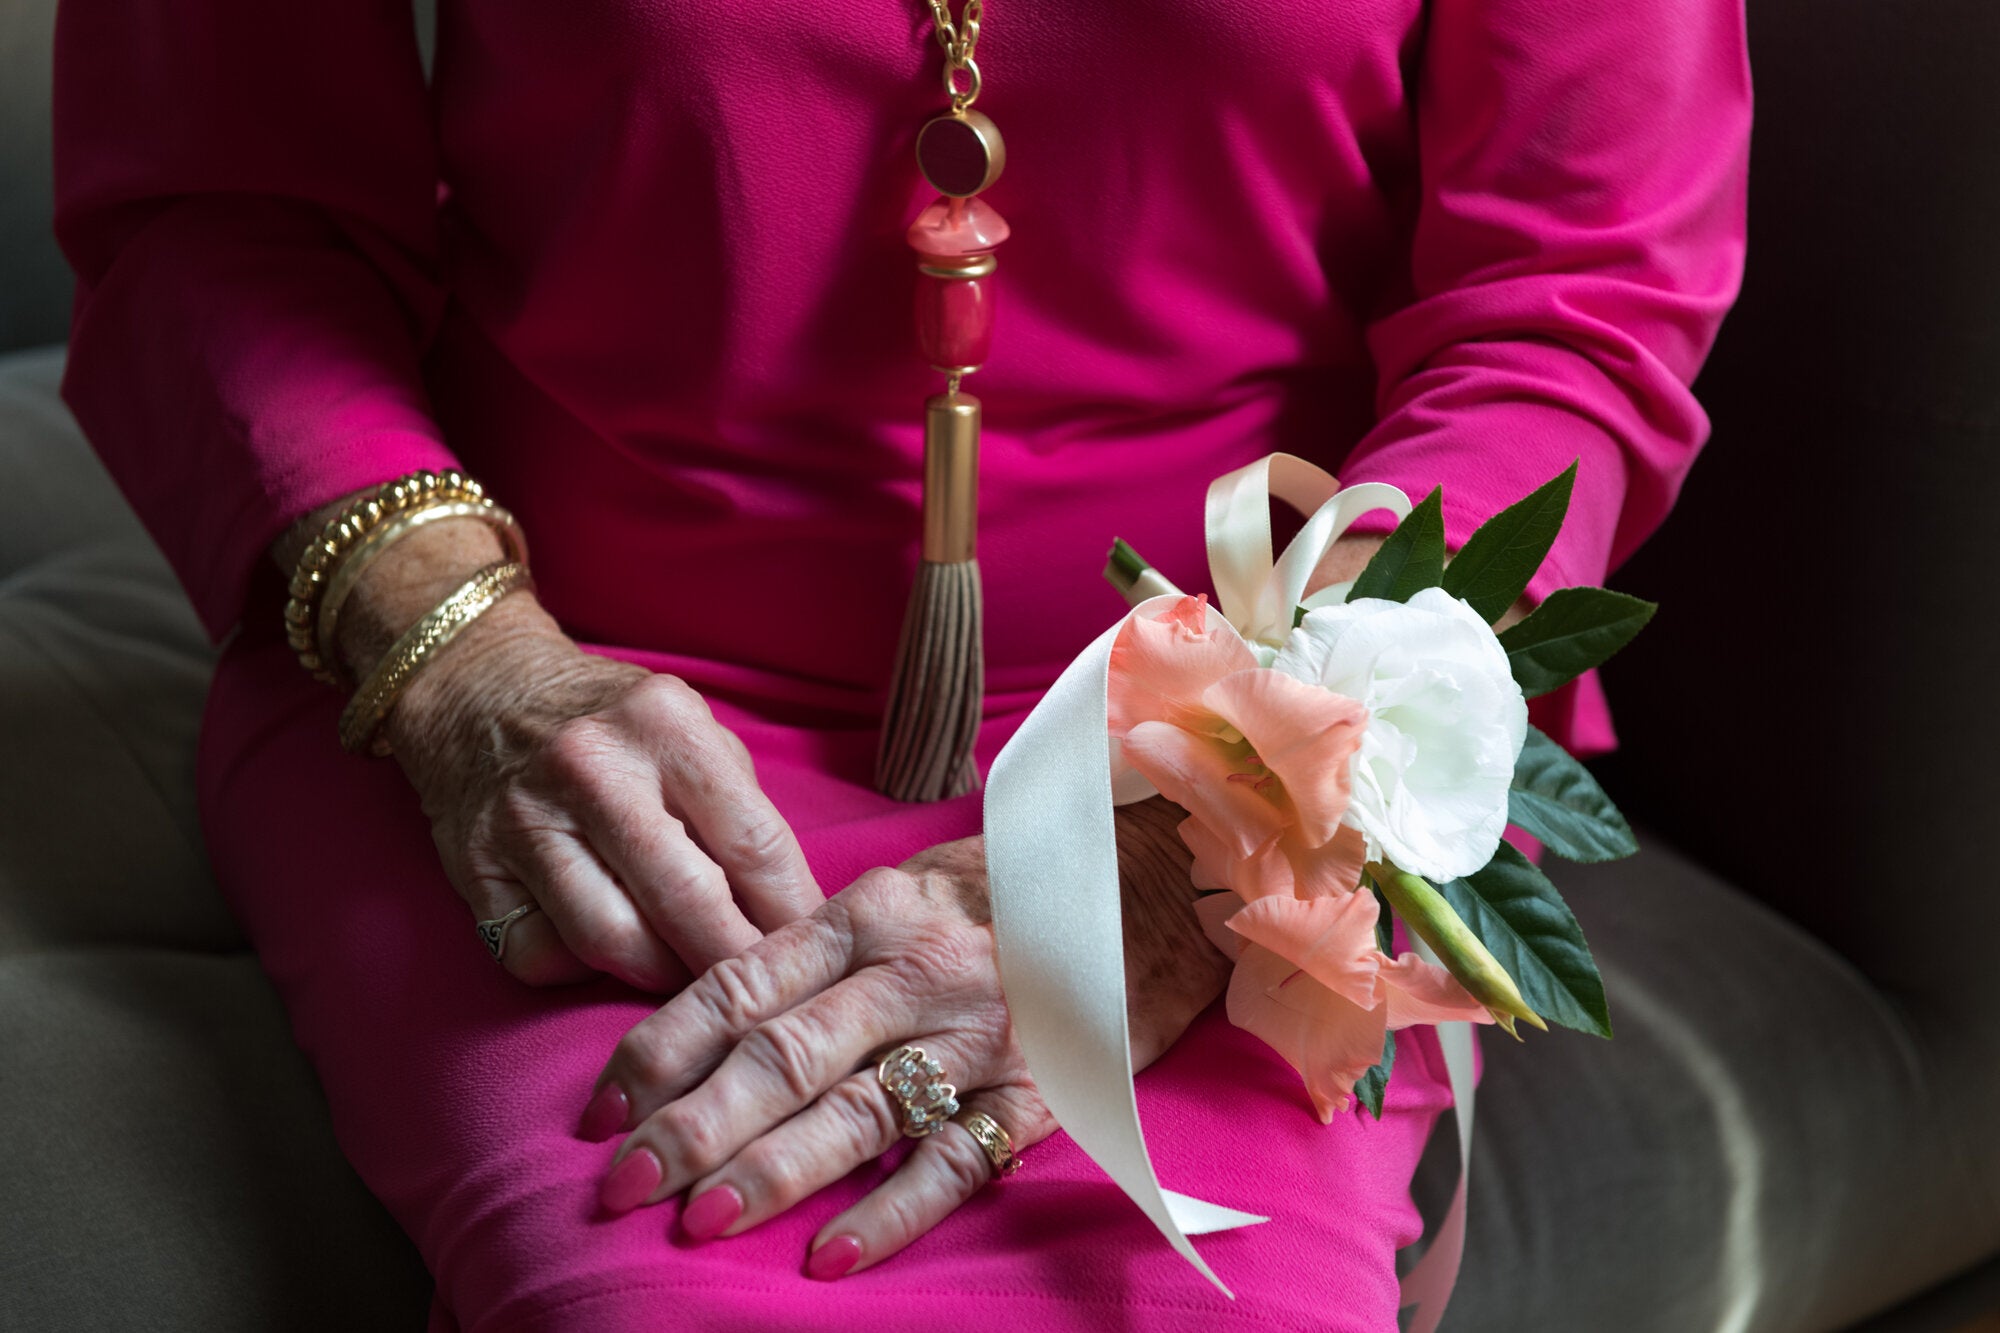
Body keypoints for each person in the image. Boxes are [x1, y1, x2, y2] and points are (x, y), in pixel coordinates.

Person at [50, 0, 1750, 1327]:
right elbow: (223, 206)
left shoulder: (1227, 785)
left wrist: (1188, 840)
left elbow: (1571, 299)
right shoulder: (519, 690)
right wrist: (468, 659)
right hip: (581, 703)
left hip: (1250, 707)